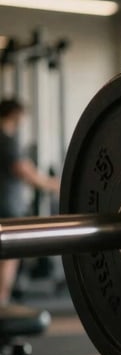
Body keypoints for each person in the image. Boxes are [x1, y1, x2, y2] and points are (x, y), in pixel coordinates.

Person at [0, 98, 60, 305]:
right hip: (7, 206)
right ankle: (2, 304)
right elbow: (27, 173)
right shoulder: (6, 140)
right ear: (15, 114)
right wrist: (55, 185)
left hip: (6, 203)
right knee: (8, 256)